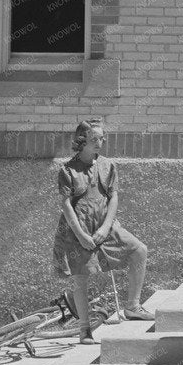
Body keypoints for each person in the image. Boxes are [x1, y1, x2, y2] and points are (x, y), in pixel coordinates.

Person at [52, 118, 153, 339]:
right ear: (81, 141)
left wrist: (106, 227)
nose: (100, 142)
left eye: (102, 138)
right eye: (94, 139)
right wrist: (80, 235)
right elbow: (66, 205)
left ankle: (133, 306)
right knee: (81, 277)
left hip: (105, 226)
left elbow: (114, 197)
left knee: (139, 250)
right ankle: (84, 330)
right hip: (77, 230)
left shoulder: (108, 165)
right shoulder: (67, 170)